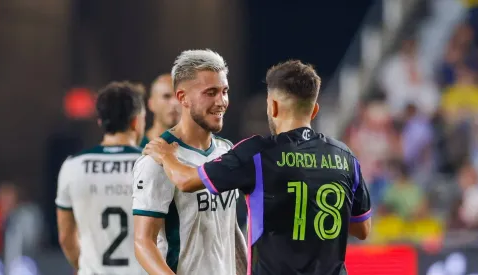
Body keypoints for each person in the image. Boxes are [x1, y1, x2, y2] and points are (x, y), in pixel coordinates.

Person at [145, 60, 372, 275]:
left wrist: (167, 156)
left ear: (272, 106)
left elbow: (185, 181)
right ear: (314, 111)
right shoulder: (345, 157)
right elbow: (362, 230)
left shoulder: (257, 154)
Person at [132, 49, 247, 275]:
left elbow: (231, 229)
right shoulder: (156, 161)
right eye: (210, 92)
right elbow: (143, 242)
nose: (221, 101)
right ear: (182, 97)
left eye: (224, 91)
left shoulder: (226, 150)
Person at [56, 82, 147, 275]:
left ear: (100, 121)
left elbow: (66, 237)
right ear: (135, 121)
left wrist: (84, 267)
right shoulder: (151, 165)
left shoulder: (73, 166)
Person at [140, 74, 181, 147]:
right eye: (166, 96)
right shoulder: (137, 146)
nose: (175, 102)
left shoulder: (199, 147)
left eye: (179, 97)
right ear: (151, 104)